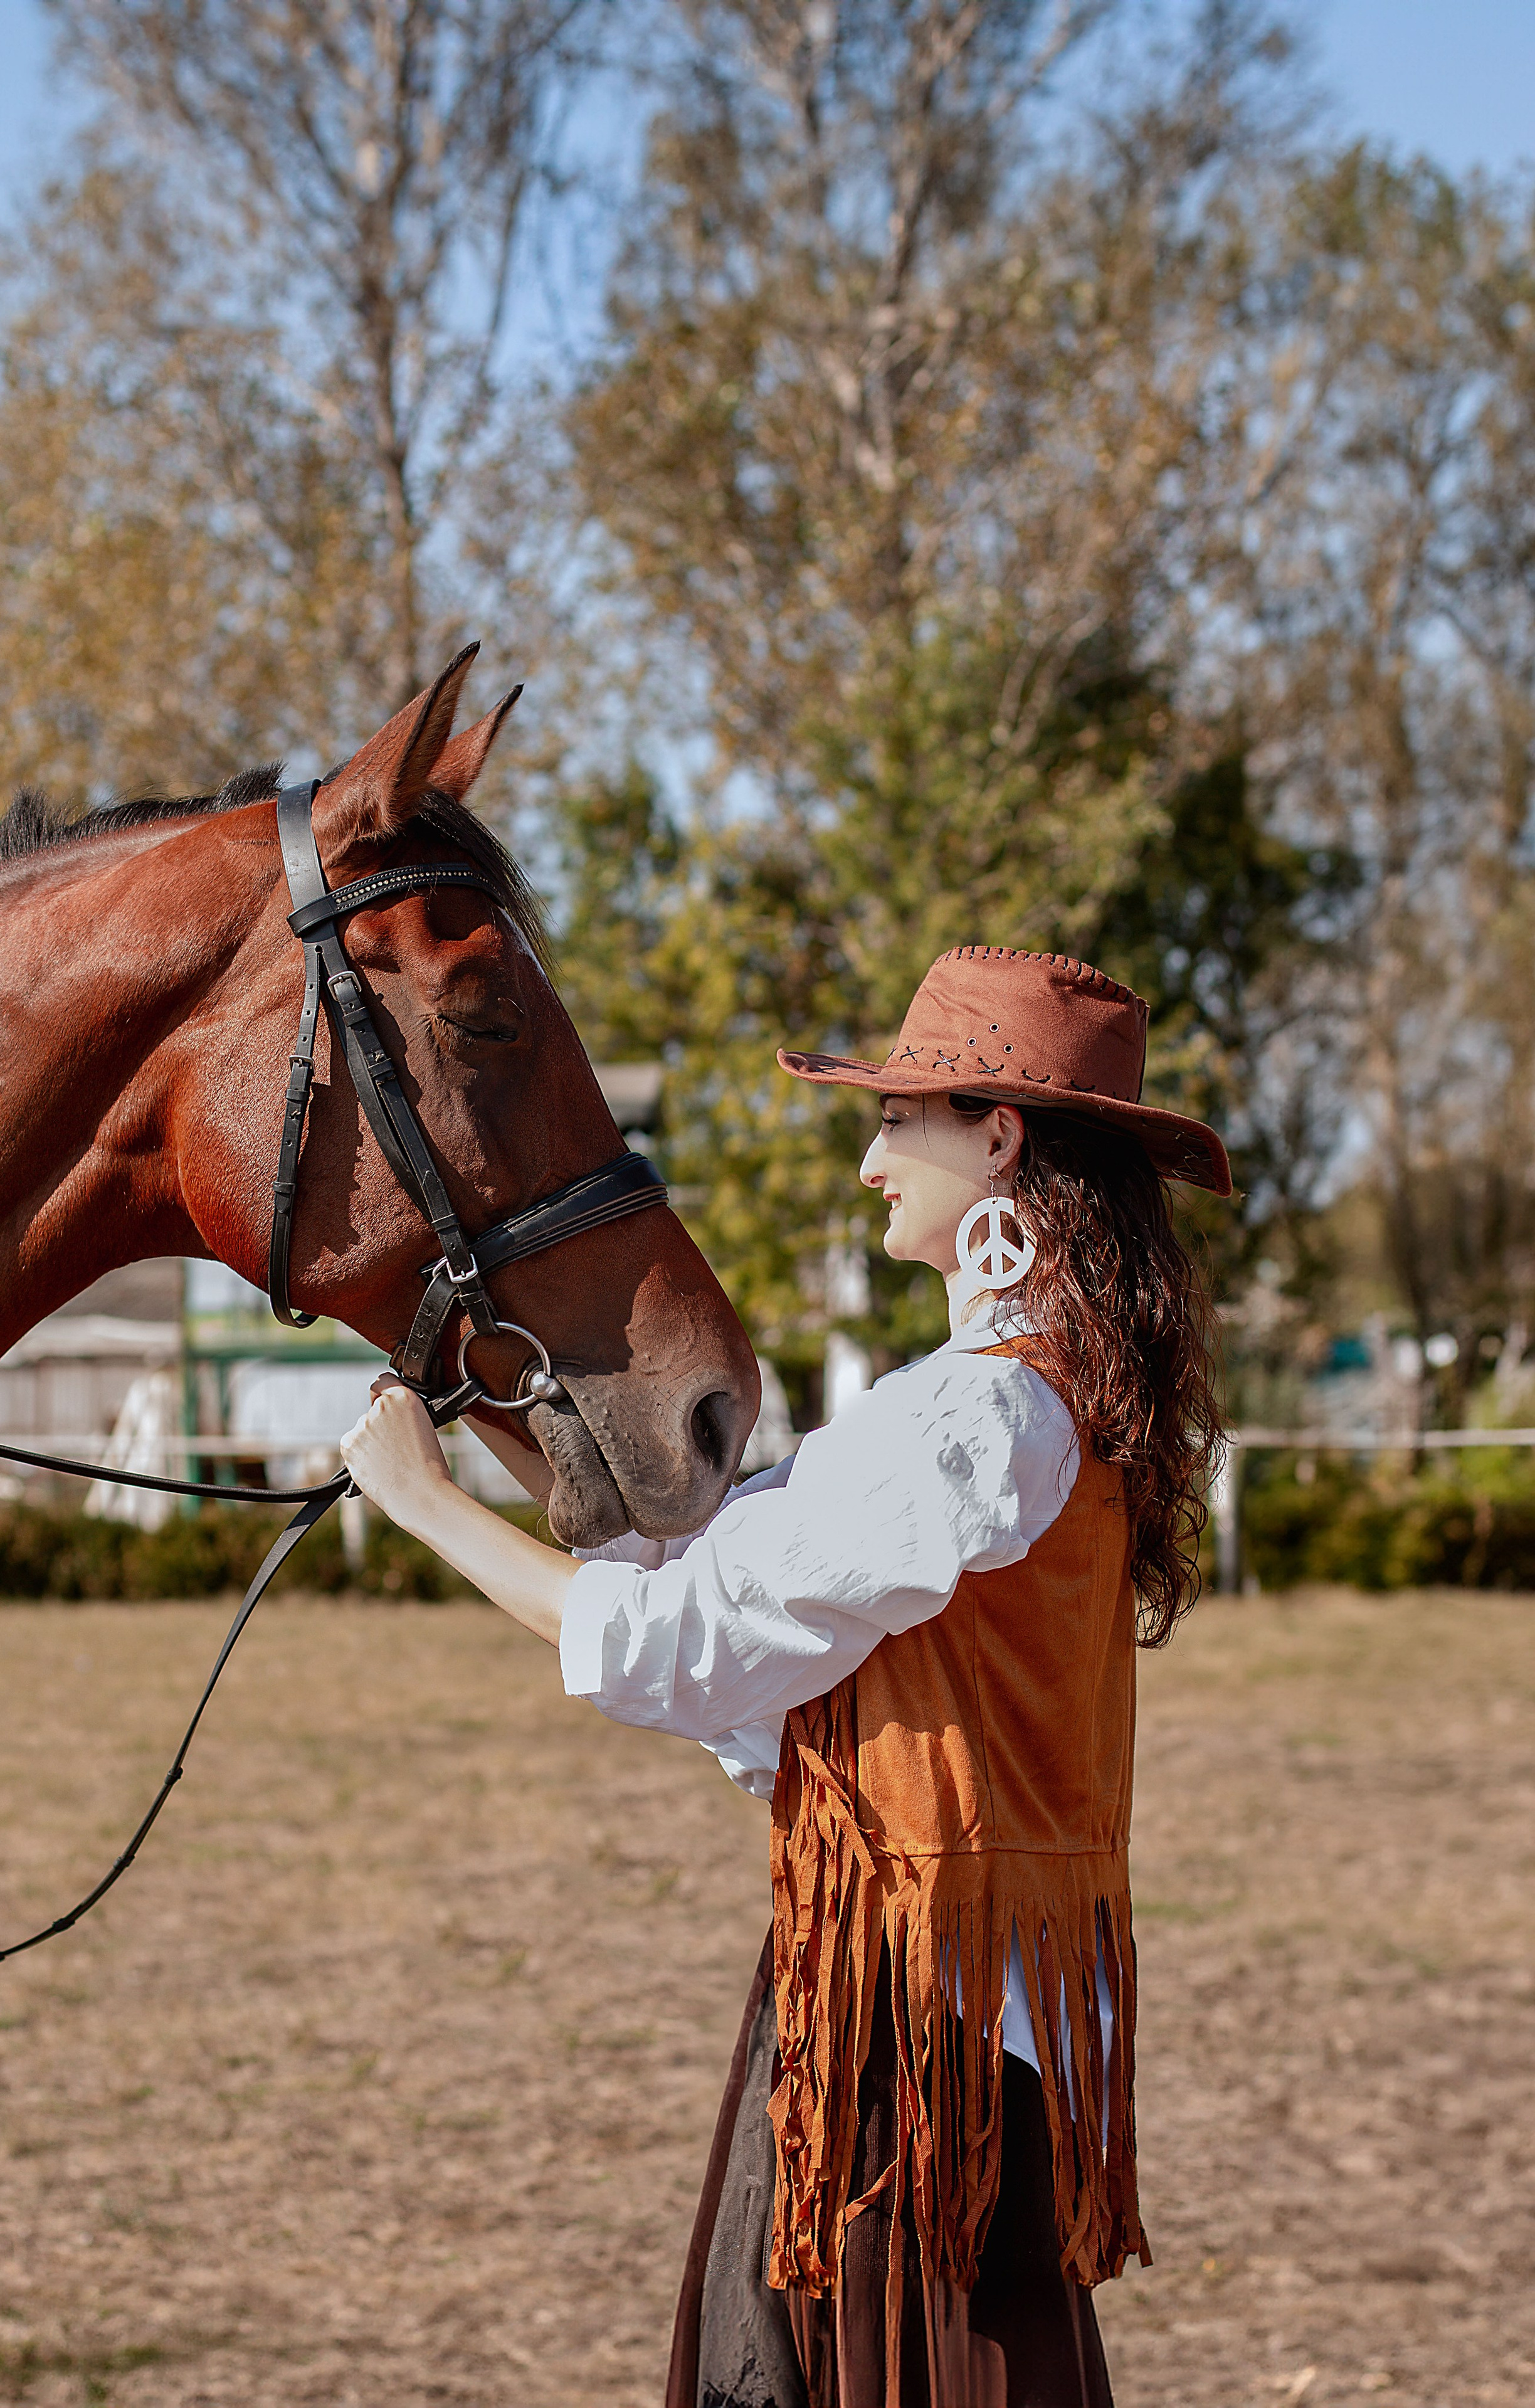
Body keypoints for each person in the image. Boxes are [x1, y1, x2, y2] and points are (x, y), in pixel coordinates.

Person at [342, 944, 1230, 2408]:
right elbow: (726, 1602)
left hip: (913, 2026)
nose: (871, 1163)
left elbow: (668, 1643)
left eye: (896, 1121)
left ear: (996, 1140)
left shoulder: (970, 1419)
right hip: (955, 2005)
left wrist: (422, 1506)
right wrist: (514, 1432)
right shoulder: (1048, 1401)